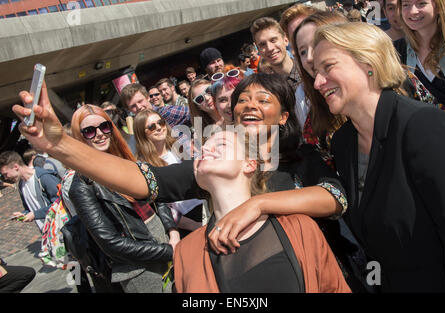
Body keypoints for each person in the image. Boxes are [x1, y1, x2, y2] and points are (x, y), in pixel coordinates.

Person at [13, 75, 353, 290]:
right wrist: (60, 145)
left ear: (282, 116)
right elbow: (144, 180)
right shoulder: (218, 163)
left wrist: (258, 203)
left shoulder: (301, 157)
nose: (249, 105)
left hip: (313, 271)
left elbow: (334, 198)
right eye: (242, 101)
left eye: (263, 100)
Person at [311, 22, 445, 292]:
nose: (317, 82)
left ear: (369, 63)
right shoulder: (343, 143)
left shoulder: (422, 125)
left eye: (328, 67)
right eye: (315, 72)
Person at [173, 129, 351, 293]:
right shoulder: (185, 253)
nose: (204, 149)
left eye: (221, 144)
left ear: (249, 164)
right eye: (202, 148)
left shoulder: (300, 228)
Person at [68, 104, 177, 293]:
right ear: (80, 137)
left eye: (104, 126)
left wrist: (173, 233)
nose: (100, 134)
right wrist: (168, 251)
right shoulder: (82, 186)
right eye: (89, 131)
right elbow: (111, 243)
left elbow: (157, 198)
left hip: (167, 241)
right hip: (139, 268)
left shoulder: (129, 162)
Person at [133, 109, 204, 238]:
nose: (159, 128)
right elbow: (163, 208)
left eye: (160, 122)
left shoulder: (182, 147)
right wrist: (194, 225)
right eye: (151, 126)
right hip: (188, 221)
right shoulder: (145, 166)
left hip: (206, 205)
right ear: (142, 134)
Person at [291, 11, 348, 168]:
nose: (309, 57)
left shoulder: (400, 87)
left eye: (316, 43)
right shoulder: (314, 125)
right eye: (302, 51)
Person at [394, 0, 445, 110]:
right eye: (406, 5)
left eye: (421, 3)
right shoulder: (396, 50)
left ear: (438, 7)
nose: (413, 11)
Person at [0, 151, 59, 232]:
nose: (5, 178)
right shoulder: (21, 185)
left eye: (5, 174)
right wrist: (24, 214)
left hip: (60, 230)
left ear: (16, 167)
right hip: (46, 232)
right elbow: (30, 208)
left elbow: (60, 204)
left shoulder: (43, 177)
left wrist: (35, 214)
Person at [250, 17, 301, 91]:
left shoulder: (309, 70)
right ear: (259, 50)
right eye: (262, 44)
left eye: (273, 40)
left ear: (285, 40)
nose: (270, 48)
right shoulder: (265, 90)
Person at [120, 83, 191, 127]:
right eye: (133, 106)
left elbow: (195, 112)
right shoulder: (138, 127)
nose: (138, 107)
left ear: (147, 97)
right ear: (129, 109)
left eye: (140, 101)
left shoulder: (165, 112)